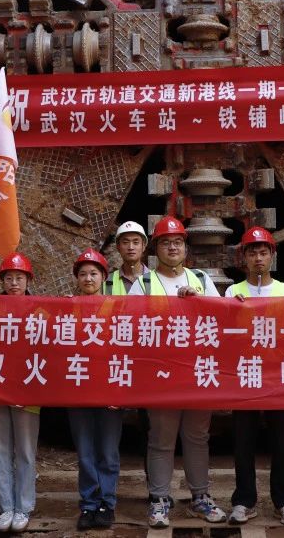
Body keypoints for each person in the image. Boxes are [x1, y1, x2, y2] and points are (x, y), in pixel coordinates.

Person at [129, 215, 226, 528]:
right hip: (162, 375)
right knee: (161, 439)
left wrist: (199, 302)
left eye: (178, 242)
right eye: (166, 243)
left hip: (197, 372)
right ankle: (159, 500)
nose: (173, 247)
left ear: (186, 247)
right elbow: (130, 328)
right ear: (156, 249)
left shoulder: (201, 279)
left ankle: (200, 497)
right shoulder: (143, 284)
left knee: (197, 437)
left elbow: (220, 319)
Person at [224, 227, 284, 527]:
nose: (258, 258)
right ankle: (243, 501)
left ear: (272, 256)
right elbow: (225, 334)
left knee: (281, 441)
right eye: (252, 252)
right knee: (243, 441)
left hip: (276, 376)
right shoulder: (232, 292)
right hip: (245, 374)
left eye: (263, 252)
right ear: (243, 258)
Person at [68, 249, 121, 531]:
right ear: (76, 278)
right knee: (85, 451)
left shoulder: (116, 308)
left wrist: (120, 391)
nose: (88, 278)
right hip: (78, 389)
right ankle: (89, 504)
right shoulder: (68, 308)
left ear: (103, 277)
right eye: (83, 274)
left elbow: (127, 350)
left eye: (93, 273)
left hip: (109, 390)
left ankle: (107, 504)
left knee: (108, 451)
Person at [0, 253, 41, 533]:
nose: (14, 283)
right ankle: (6, 506)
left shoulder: (41, 309)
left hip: (28, 388)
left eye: (19, 277)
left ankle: (24, 506)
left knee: (25, 449)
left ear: (28, 280)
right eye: (8, 278)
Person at [103, 220, 150, 295]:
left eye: (136, 242)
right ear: (118, 247)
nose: (131, 247)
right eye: (125, 242)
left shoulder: (157, 280)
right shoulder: (106, 282)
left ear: (143, 246)